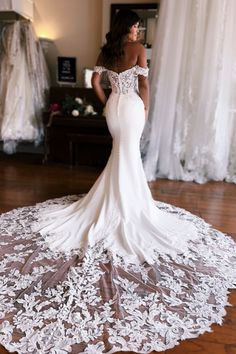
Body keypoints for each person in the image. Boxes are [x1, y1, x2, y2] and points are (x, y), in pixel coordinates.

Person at [0, 10, 235, 354]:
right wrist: (145, 110)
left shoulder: (106, 51)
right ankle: (129, 206)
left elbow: (95, 82)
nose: (139, 29)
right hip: (132, 109)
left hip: (114, 109)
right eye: (137, 24)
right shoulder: (138, 47)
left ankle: (119, 200)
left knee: (120, 155)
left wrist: (108, 101)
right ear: (129, 28)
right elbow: (144, 84)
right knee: (128, 156)